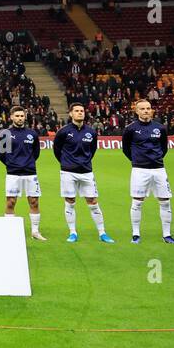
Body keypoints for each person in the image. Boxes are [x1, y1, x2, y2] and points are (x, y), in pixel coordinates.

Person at [123, 98, 174, 244]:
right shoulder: (130, 129)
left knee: (165, 201)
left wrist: (157, 159)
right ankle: (136, 234)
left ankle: (167, 235)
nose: (146, 111)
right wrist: (137, 160)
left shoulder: (160, 128)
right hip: (140, 170)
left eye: (148, 108)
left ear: (151, 110)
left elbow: (164, 148)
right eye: (142, 109)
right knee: (137, 202)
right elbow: (126, 149)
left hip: (159, 169)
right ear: (136, 111)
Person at [54, 102, 112, 243]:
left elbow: (92, 150)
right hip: (68, 172)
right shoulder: (63, 131)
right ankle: (73, 232)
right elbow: (57, 150)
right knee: (70, 201)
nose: (80, 113)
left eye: (82, 111)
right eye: (77, 111)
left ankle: (102, 233)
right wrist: (66, 163)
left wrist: (84, 162)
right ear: (71, 114)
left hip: (86, 172)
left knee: (92, 201)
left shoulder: (91, 132)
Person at [0, 105, 44, 241]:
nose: (19, 118)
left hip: (30, 172)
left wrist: (27, 163)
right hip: (13, 173)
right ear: (11, 117)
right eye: (17, 116)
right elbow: (1, 153)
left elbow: (35, 153)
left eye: (22, 116)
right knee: (11, 202)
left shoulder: (32, 134)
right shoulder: (6, 133)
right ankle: (10, 231)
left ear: (25, 117)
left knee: (34, 202)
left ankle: (35, 231)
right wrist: (11, 163)